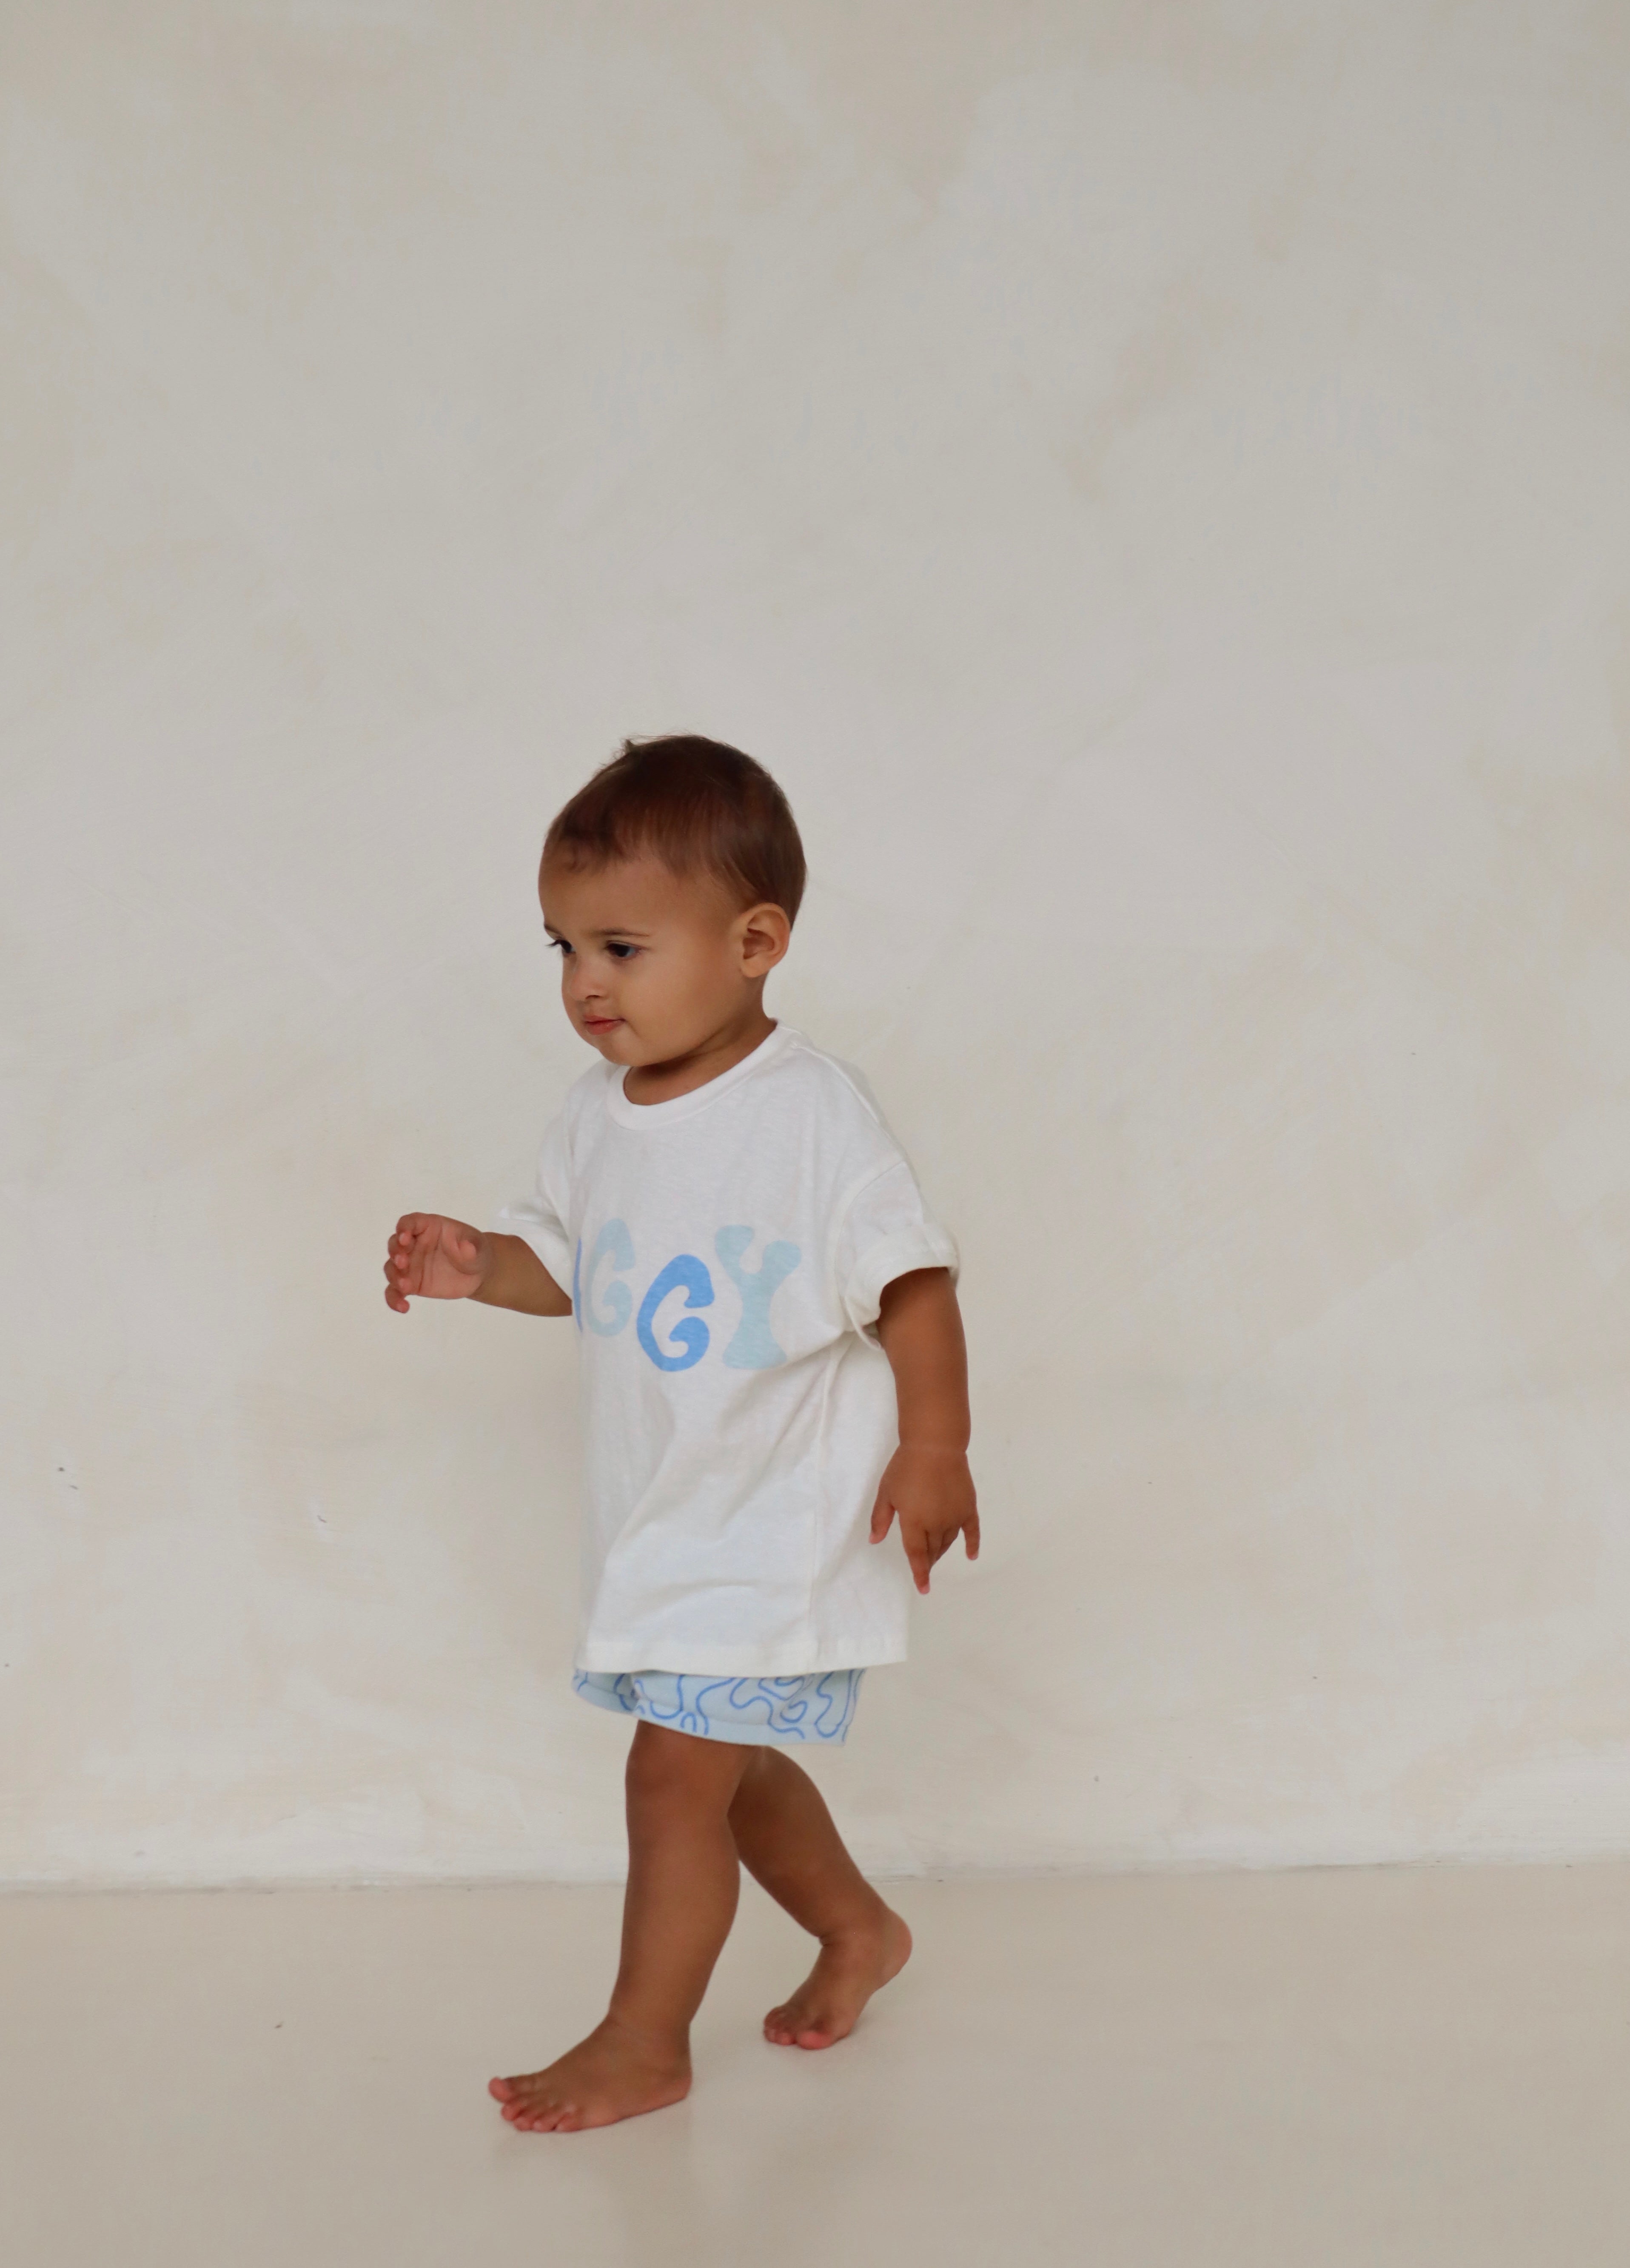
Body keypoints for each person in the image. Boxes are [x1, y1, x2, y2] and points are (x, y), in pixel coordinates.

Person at [382, 735, 978, 2134]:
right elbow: (572, 1264)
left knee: (671, 1771)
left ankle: (645, 2036)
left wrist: (934, 1447)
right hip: (665, 1517)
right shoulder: (597, 1119)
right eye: (566, 946)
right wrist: (481, 1265)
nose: (587, 984)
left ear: (756, 940)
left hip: (773, 1513)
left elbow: (914, 1279)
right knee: (729, 1764)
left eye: (625, 947)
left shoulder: (809, 1114)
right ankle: (860, 1931)